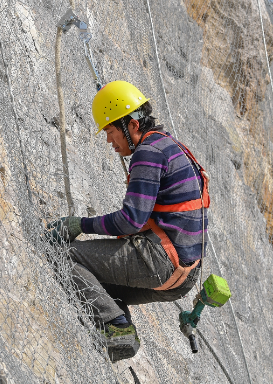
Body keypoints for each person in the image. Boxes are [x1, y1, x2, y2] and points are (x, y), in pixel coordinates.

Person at [46, 80, 209, 362]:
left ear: (132, 124)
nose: (110, 141)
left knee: (68, 257)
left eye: (111, 131)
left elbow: (130, 221)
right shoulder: (173, 147)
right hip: (186, 276)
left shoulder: (148, 153)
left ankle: (117, 327)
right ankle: (120, 334)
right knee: (98, 283)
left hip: (161, 261)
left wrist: (80, 225)